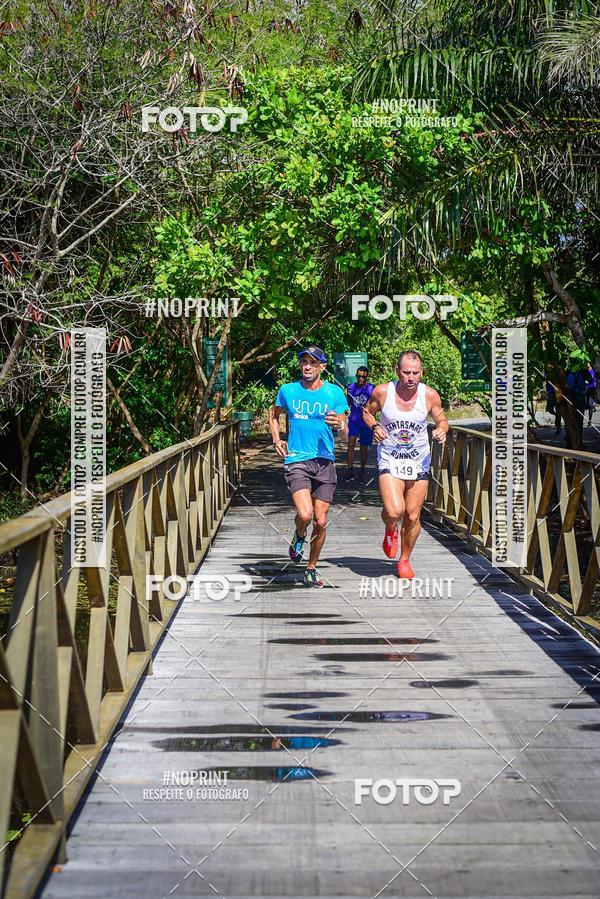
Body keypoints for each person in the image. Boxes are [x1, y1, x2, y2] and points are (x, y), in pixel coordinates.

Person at [362, 350, 449, 579]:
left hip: (418, 459)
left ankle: (404, 560)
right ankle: (390, 527)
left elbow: (442, 418)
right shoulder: (382, 392)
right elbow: (367, 413)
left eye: (416, 373)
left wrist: (442, 429)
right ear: (397, 371)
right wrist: (375, 427)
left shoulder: (429, 395)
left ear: (422, 372)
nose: (411, 377)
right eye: (406, 372)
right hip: (390, 457)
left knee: (412, 515)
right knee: (394, 511)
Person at [269, 346, 348, 588]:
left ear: (322, 367)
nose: (307, 366)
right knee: (305, 514)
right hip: (297, 459)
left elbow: (345, 431)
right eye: (304, 361)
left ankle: (311, 568)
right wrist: (277, 439)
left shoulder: (334, 393)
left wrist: (340, 424)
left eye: (313, 363)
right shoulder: (288, 391)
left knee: (321, 521)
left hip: (325, 461)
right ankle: (300, 535)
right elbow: (274, 414)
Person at [345, 366, 375, 483]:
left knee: (363, 448)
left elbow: (375, 404)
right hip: (354, 420)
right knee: (351, 444)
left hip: (366, 422)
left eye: (363, 376)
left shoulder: (371, 388)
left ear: (367, 376)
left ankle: (362, 469)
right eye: (358, 376)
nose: (360, 378)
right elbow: (347, 402)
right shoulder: (351, 387)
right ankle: (349, 469)